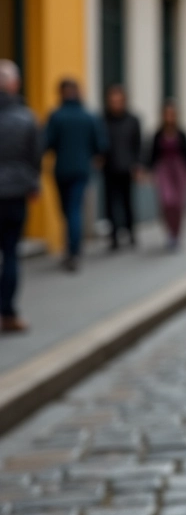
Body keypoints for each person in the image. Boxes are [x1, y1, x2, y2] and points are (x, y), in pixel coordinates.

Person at [45, 78, 106, 271]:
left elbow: (46, 143)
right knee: (74, 209)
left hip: (62, 169)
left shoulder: (56, 116)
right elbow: (101, 145)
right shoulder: (89, 116)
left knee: (67, 211)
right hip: (81, 169)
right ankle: (74, 250)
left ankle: (71, 250)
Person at [0, 60, 41, 333]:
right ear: (15, 84)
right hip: (15, 194)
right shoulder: (26, 117)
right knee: (11, 254)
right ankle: (8, 313)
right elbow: (34, 157)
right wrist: (33, 184)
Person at [148, 100, 186, 250]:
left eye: (172, 114)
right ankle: (169, 231)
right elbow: (152, 155)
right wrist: (149, 171)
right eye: (167, 114)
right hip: (163, 170)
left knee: (179, 204)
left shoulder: (182, 134)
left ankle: (176, 233)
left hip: (179, 170)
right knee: (167, 201)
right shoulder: (157, 134)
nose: (169, 117)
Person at [103, 85, 142, 250]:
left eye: (118, 101)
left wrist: (138, 165)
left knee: (127, 202)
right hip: (109, 167)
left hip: (127, 168)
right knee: (110, 204)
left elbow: (138, 145)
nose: (115, 104)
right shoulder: (103, 120)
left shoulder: (133, 120)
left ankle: (131, 232)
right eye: (113, 101)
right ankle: (114, 237)